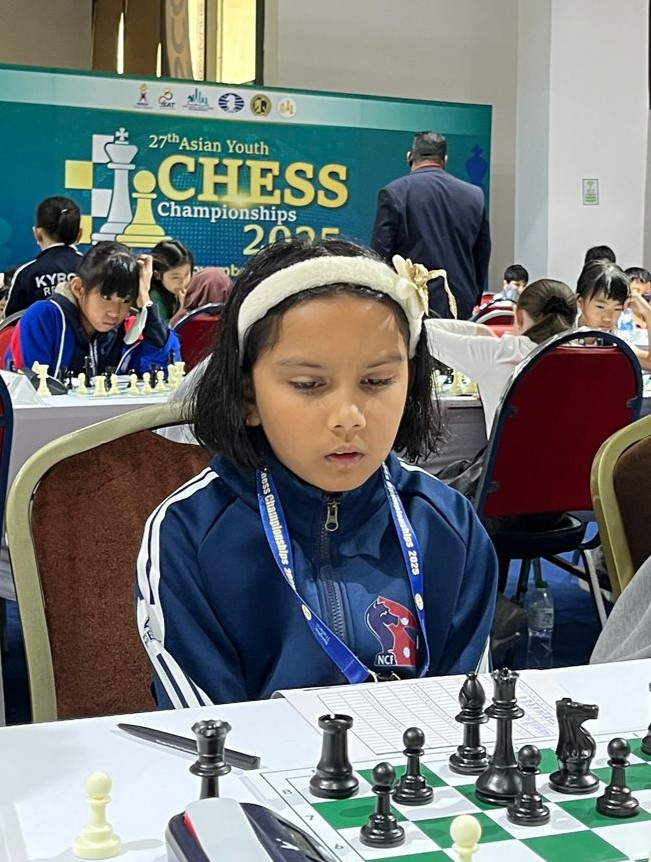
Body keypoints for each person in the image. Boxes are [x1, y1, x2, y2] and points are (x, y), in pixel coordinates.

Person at [136, 238, 498, 708]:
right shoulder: (189, 534)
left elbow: (464, 716)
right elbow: (208, 737)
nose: (349, 417)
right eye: (309, 385)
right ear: (248, 395)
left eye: (377, 381)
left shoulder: (450, 527)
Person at [6, 241, 180, 378]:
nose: (115, 312)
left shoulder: (131, 328)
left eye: (126, 300)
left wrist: (145, 300)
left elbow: (165, 374)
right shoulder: (43, 318)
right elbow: (27, 391)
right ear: (78, 288)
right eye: (106, 297)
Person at [427, 279, 577, 437]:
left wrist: (480, 329)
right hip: (575, 454)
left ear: (519, 316)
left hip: (513, 453)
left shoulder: (500, 353)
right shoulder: (588, 357)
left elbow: (427, 332)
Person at [371, 131, 491, 320]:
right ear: (445, 160)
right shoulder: (475, 196)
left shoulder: (394, 193)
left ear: (409, 157)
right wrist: (472, 296)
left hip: (411, 305)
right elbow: (482, 255)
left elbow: (380, 256)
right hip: (460, 304)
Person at [5, 196, 83, 317]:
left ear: (38, 233)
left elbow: (11, 322)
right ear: (80, 234)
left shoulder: (26, 274)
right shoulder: (92, 268)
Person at [577, 259, 651, 370]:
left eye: (617, 309)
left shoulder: (613, 339)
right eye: (600, 307)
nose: (608, 318)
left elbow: (649, 363)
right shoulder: (563, 335)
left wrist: (647, 312)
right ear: (580, 302)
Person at [149, 239, 194, 323]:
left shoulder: (193, 288)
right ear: (157, 275)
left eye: (187, 274)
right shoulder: (154, 297)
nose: (183, 282)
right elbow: (162, 329)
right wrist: (182, 309)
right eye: (176, 277)